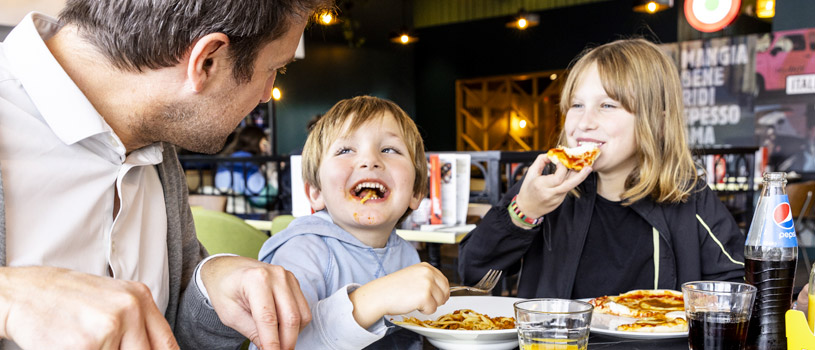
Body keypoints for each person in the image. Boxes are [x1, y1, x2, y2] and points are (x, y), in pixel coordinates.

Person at [0, 0, 331, 349]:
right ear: (206, 61)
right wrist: (8, 300)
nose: (267, 95)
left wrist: (208, 283)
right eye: (274, 68)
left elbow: (173, 330)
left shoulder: (156, 142)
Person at [458, 38, 746, 299]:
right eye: (577, 105)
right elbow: (474, 274)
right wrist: (525, 212)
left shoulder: (689, 196)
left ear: (657, 121)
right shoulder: (546, 187)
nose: (584, 123)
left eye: (607, 105)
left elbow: (736, 288)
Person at [255, 96, 449, 349]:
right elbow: (283, 343)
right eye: (345, 150)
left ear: (415, 193)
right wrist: (375, 298)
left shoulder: (408, 256)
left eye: (390, 149)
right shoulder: (301, 254)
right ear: (316, 192)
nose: (370, 160)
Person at [216, 126, 278, 209]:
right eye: (265, 142)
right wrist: (274, 180)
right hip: (240, 209)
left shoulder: (230, 158)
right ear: (260, 142)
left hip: (223, 206)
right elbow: (260, 198)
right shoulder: (249, 162)